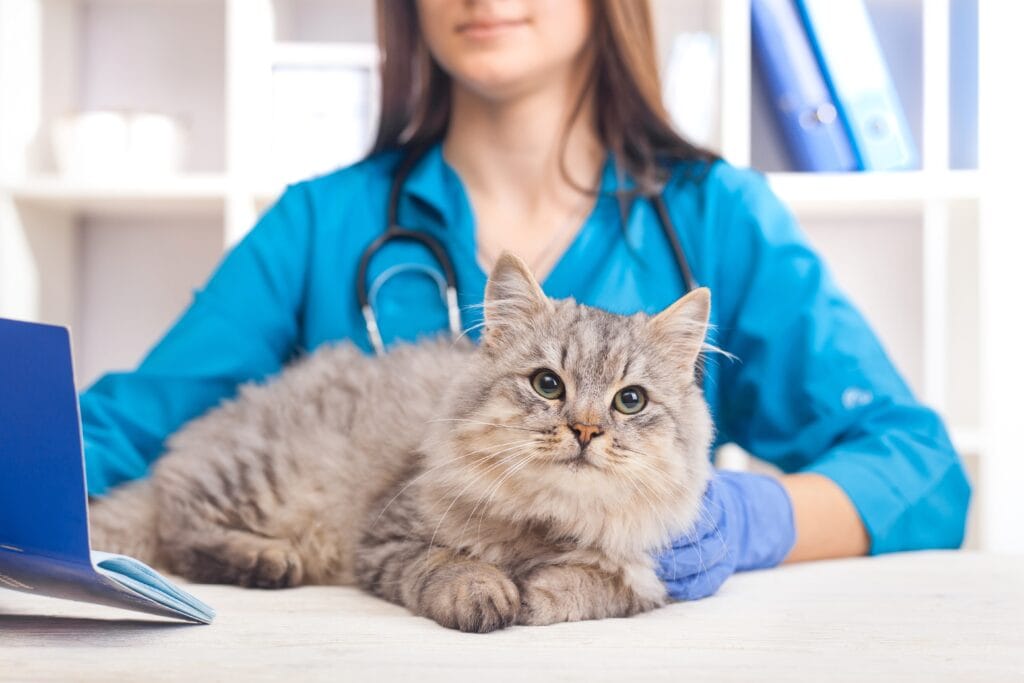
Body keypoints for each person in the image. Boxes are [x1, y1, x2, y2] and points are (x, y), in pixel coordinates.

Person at [80, 0, 970, 600]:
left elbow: (923, 471)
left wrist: (744, 523)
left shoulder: (714, 216)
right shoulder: (323, 220)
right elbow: (121, 429)